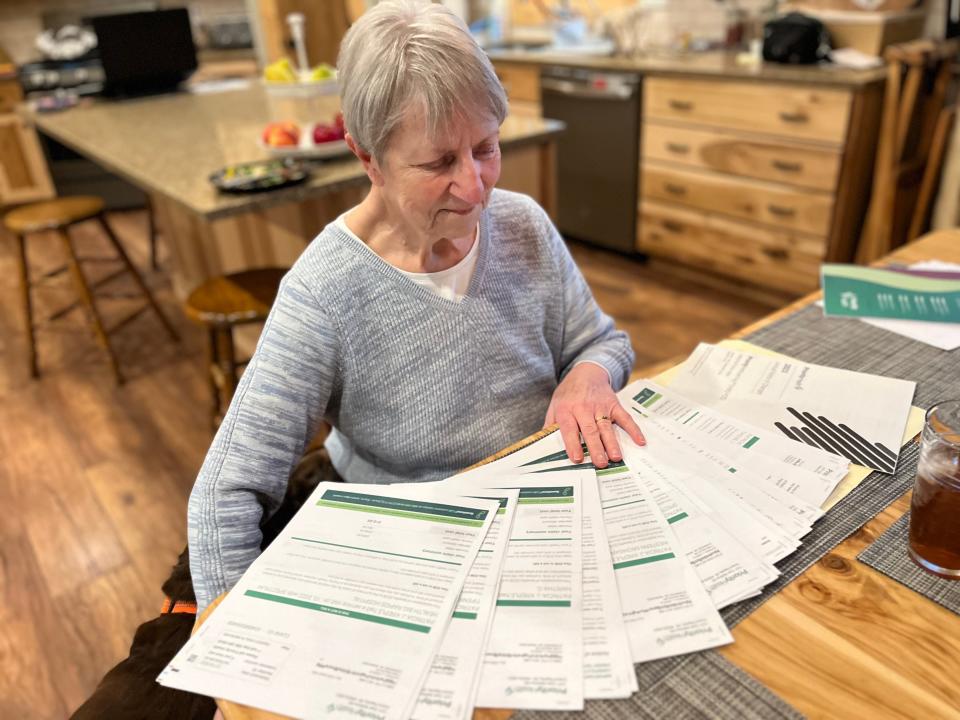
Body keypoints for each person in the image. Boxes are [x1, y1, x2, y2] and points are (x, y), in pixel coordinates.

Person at [188, 0, 644, 614]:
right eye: (438, 163)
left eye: (486, 146)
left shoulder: (523, 225)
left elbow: (603, 342)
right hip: (417, 546)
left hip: (544, 505)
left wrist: (587, 377)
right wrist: (233, 647)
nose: (476, 185)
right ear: (366, 156)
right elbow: (225, 494)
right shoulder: (324, 292)